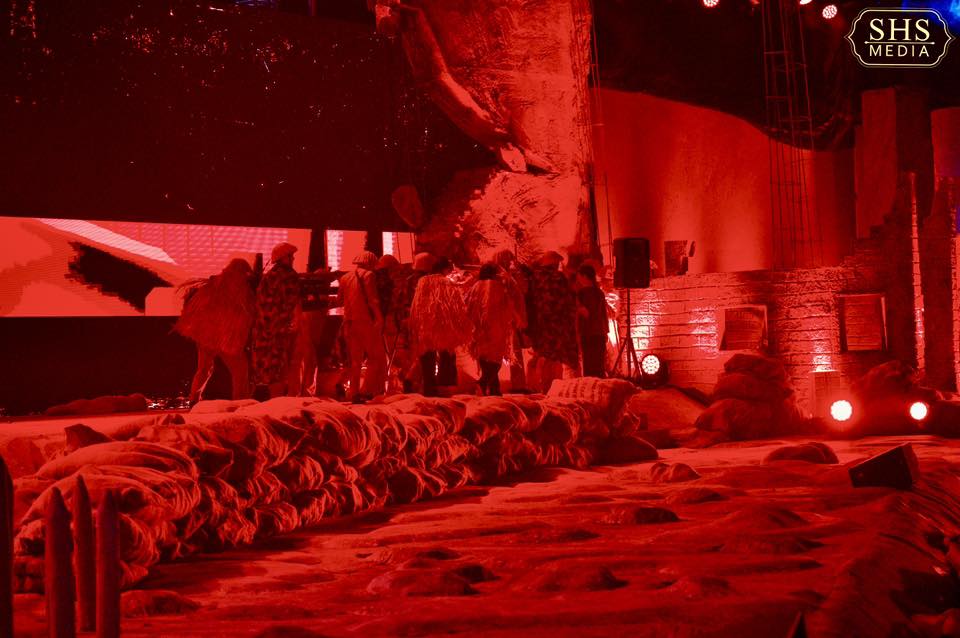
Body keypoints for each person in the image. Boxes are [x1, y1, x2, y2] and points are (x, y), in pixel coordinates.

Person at [175, 258, 256, 403]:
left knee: (204, 369)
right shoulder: (239, 288)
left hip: (206, 336)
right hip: (223, 337)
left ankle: (194, 399)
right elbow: (247, 311)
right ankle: (240, 401)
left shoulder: (214, 284)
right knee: (240, 369)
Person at [409, 256, 467, 397]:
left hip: (425, 324)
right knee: (446, 354)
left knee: (427, 356)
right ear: (444, 269)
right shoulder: (447, 283)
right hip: (443, 324)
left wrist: (415, 322)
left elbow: (416, 304)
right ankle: (445, 386)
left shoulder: (422, 281)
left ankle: (429, 387)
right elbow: (456, 304)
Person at [252, 242, 302, 398]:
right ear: (283, 258)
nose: (293, 259)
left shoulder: (267, 277)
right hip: (282, 330)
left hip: (265, 331)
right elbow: (295, 301)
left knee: (270, 367)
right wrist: (296, 323)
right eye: (290, 256)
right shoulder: (289, 276)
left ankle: (275, 401)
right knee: (286, 365)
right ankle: (286, 400)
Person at [465, 263, 522, 396]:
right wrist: (516, 319)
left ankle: (494, 388)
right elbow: (506, 305)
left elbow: (468, 305)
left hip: (479, 328)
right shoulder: (498, 286)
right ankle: (483, 382)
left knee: (484, 358)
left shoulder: (476, 286)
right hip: (496, 326)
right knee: (496, 359)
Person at [337, 250, 387, 401]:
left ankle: (354, 393)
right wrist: (379, 318)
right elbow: (373, 300)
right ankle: (367, 390)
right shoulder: (369, 275)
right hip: (365, 322)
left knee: (355, 360)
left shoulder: (344, 277)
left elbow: (339, 300)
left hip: (348, 322)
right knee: (375, 357)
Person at [527, 250, 579, 392]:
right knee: (555, 358)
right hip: (557, 325)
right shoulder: (558, 278)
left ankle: (542, 386)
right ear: (555, 264)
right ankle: (553, 387)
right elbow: (567, 299)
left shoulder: (534, 278)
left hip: (541, 324)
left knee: (544, 356)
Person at [493, 249, 530, 392]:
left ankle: (516, 384)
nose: (511, 262)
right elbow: (508, 299)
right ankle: (518, 386)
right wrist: (517, 317)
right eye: (509, 259)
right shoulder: (502, 276)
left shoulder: (507, 275)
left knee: (513, 352)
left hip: (509, 320)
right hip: (509, 321)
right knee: (514, 352)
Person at [575, 263, 609, 378]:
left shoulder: (582, 293)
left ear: (584, 276)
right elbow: (603, 314)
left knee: (589, 365)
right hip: (599, 332)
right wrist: (606, 331)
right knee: (599, 365)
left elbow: (586, 314)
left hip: (588, 333)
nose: (578, 279)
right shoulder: (599, 292)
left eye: (579, 276)